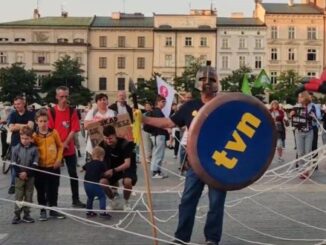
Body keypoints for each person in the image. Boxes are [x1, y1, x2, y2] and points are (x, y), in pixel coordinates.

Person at [143, 61, 226, 245]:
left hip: (220, 162)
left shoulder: (223, 104)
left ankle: (212, 239)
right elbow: (169, 123)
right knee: (187, 200)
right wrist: (145, 118)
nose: (206, 83)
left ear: (216, 82)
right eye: (203, 79)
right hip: (196, 163)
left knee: (216, 204)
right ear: (198, 82)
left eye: (210, 79)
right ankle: (181, 238)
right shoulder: (190, 106)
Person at [47, 86, 86, 208]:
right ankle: (52, 200)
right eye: (62, 96)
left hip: (69, 148)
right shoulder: (51, 111)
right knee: (54, 175)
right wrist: (59, 145)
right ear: (57, 97)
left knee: (73, 174)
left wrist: (65, 144)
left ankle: (76, 199)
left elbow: (74, 129)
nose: (64, 99)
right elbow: (50, 130)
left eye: (66, 96)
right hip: (55, 148)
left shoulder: (72, 111)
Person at [33, 109, 65, 220]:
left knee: (53, 189)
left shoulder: (54, 133)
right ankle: (42, 211)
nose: (43, 124)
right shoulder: (34, 136)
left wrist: (58, 159)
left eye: (45, 121)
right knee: (40, 190)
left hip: (53, 166)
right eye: (41, 121)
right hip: (40, 167)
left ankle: (53, 210)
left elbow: (60, 146)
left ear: (48, 121)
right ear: (36, 121)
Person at [99, 125, 137, 211]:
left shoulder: (125, 144)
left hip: (126, 167)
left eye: (110, 138)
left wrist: (113, 170)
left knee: (127, 182)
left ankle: (126, 202)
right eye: (106, 138)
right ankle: (113, 201)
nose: (108, 141)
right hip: (112, 166)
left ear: (115, 135)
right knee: (102, 182)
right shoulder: (102, 144)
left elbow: (127, 164)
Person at [11, 126, 39, 224]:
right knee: (19, 196)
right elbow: (13, 163)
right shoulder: (16, 148)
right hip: (19, 177)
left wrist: (27, 173)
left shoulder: (35, 149)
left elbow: (35, 163)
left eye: (27, 138)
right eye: (22, 138)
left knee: (29, 196)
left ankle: (27, 215)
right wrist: (20, 173)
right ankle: (17, 215)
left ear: (31, 138)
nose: (24, 140)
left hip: (30, 176)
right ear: (20, 138)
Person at [7, 96, 34, 195]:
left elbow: (30, 127)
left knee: (28, 163)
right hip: (15, 143)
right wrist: (24, 125)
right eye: (15, 104)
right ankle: (13, 184)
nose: (17, 106)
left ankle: (27, 181)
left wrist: (17, 125)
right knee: (15, 164)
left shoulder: (30, 114)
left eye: (19, 104)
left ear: (24, 103)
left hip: (28, 143)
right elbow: (10, 128)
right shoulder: (12, 114)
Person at [290, 91, 316, 178]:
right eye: (298, 97)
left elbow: (316, 118)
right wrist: (291, 115)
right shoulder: (296, 107)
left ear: (305, 97)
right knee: (300, 152)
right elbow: (293, 118)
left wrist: (313, 116)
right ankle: (302, 170)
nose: (298, 98)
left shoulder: (311, 107)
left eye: (300, 97)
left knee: (308, 151)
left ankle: (307, 170)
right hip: (299, 132)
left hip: (309, 132)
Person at [84, 93, 116, 162]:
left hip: (109, 145)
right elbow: (85, 126)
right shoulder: (92, 112)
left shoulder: (113, 113)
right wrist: (98, 122)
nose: (102, 101)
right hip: (93, 145)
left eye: (104, 99)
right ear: (96, 102)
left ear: (107, 101)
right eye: (100, 100)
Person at [82, 146, 111, 218]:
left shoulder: (88, 163)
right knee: (102, 196)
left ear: (92, 155)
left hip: (86, 184)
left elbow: (83, 168)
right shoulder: (102, 164)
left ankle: (89, 211)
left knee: (90, 197)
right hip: (95, 183)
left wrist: (82, 170)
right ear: (101, 157)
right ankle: (102, 212)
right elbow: (106, 173)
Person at [146, 95, 169, 178]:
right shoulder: (158, 111)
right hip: (158, 134)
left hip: (157, 134)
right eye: (163, 101)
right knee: (158, 153)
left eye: (165, 102)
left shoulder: (157, 111)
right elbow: (161, 123)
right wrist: (167, 128)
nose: (164, 103)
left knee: (159, 153)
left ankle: (158, 171)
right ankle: (155, 172)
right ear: (158, 102)